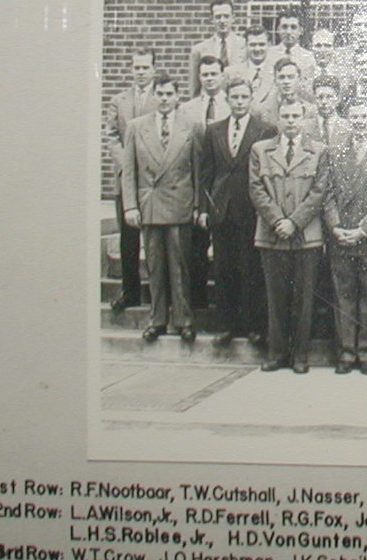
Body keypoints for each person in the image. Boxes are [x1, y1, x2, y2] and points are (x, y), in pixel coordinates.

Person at [249, 98, 328, 373]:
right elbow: (256, 189)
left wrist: (294, 222)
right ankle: (277, 353)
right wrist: (278, 220)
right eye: (286, 116)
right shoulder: (260, 150)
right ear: (278, 119)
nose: (291, 121)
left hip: (306, 235)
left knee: (304, 299)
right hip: (272, 234)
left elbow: (319, 192)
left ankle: (300, 356)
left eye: (296, 116)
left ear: (304, 120)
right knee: (276, 297)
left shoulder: (318, 151)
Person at [120, 74, 200, 343]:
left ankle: (184, 320)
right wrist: (130, 206)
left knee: (180, 265)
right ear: (154, 95)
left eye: (169, 94)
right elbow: (128, 171)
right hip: (150, 203)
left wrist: (197, 205)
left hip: (179, 203)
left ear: (178, 96)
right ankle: (157, 320)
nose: (165, 99)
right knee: (155, 265)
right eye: (160, 94)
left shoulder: (191, 125)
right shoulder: (136, 127)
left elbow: (197, 170)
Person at [195, 76, 274, 348]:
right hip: (221, 209)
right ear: (227, 99)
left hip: (251, 209)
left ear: (251, 99)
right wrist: (203, 208)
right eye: (235, 97)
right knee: (224, 269)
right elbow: (206, 173)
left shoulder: (264, 130)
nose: (239, 102)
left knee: (252, 269)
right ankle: (226, 325)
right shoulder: (214, 130)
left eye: (244, 97)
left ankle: (254, 326)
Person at [322, 98, 367, 375]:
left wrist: (364, 229)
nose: (360, 121)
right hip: (341, 234)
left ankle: (366, 354)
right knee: (343, 295)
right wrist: (335, 226)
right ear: (348, 119)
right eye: (355, 117)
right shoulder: (334, 149)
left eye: (365, 116)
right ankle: (346, 353)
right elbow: (327, 192)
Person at [106, 46, 156, 312]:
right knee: (128, 239)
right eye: (137, 67)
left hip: (152, 179)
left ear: (153, 69)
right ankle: (130, 292)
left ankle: (159, 294)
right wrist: (126, 164)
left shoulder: (161, 99)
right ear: (131, 69)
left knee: (154, 237)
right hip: (126, 179)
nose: (141, 72)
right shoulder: (119, 101)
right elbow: (112, 136)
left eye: (145, 67)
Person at [187, 0, 248, 96]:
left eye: (226, 16)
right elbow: (194, 89)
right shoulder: (199, 50)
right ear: (212, 19)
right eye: (218, 17)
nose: (222, 21)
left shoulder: (245, 46)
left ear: (233, 18)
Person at [265, 9, 317, 81]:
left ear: (301, 31)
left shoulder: (308, 57)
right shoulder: (269, 54)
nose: (288, 32)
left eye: (293, 27)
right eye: (284, 27)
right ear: (278, 29)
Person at [225, 26, 275, 100]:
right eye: (252, 45)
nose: (257, 49)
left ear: (269, 45)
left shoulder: (277, 73)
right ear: (245, 45)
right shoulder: (230, 73)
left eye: (262, 44)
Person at [304, 76, 351, 146]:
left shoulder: (348, 127)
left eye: (329, 97)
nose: (324, 102)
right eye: (320, 97)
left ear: (338, 99)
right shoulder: (304, 127)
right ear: (314, 99)